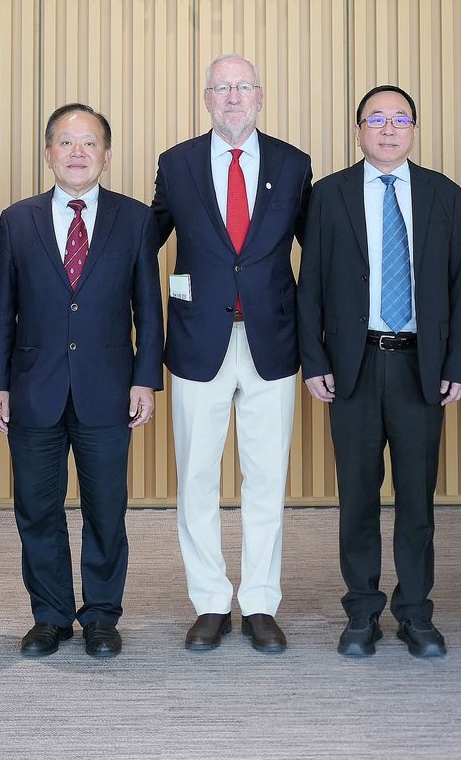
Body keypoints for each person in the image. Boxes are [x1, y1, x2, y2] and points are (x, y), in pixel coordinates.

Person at [298, 84, 461, 659]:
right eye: (376, 118)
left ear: (414, 130)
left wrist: (458, 365)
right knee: (357, 495)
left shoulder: (444, 195)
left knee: (417, 498)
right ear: (358, 130)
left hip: (420, 366)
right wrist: (314, 360)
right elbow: (310, 288)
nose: (388, 128)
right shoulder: (329, 195)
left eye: (400, 118)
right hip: (352, 366)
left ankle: (416, 612)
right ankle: (361, 612)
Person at [149, 54, 313, 654]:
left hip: (272, 341)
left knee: (266, 477)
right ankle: (212, 602)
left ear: (261, 96)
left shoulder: (294, 165)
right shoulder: (177, 163)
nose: (233, 97)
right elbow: (147, 242)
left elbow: (316, 261)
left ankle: (261, 602)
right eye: (222, 88)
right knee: (196, 477)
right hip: (198, 342)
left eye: (243, 86)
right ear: (206, 98)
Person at [0, 104, 163, 658]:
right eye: (66, 142)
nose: (78, 152)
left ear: (106, 156)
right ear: (48, 154)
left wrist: (145, 379)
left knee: (106, 508)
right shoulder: (17, 220)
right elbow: (1, 311)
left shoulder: (135, 219)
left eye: (89, 143)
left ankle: (103, 616)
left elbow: (147, 309)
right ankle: (51, 616)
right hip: (33, 387)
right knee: (37, 508)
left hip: (108, 388)